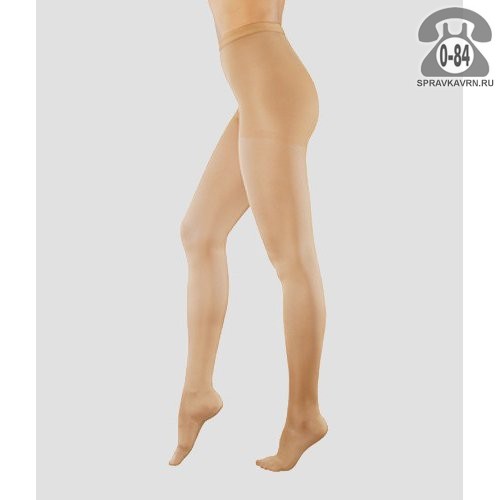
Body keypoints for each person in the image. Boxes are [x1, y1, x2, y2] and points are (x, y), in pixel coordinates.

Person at [170, 0, 327, 472]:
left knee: (292, 262)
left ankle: (304, 414)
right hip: (262, 90)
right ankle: (198, 391)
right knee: (199, 232)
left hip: (270, 90)